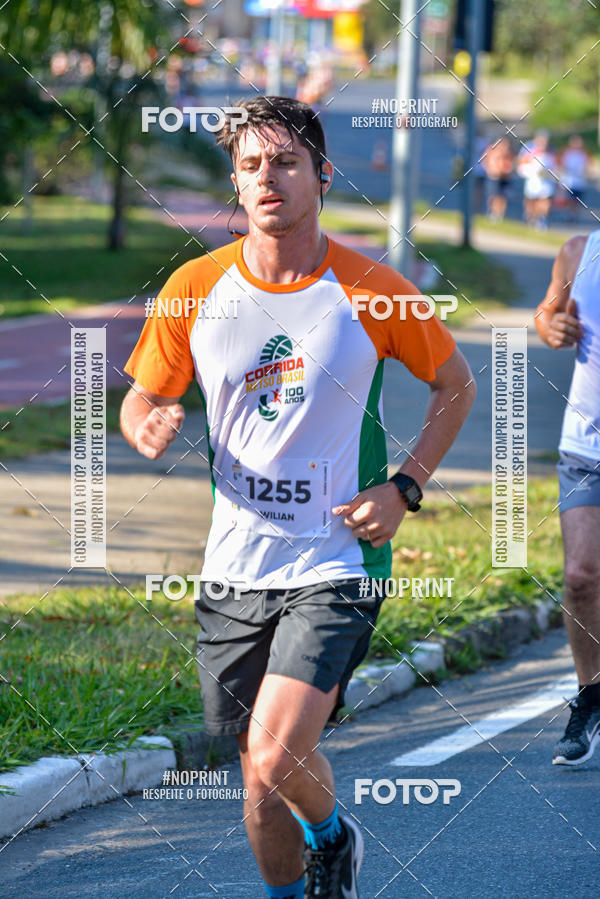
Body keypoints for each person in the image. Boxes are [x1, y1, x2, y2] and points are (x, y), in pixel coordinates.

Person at [120, 96, 476, 897]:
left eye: (284, 161)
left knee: (276, 754)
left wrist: (405, 485)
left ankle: (330, 833)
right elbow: (140, 397)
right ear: (237, 186)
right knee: (255, 782)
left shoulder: (373, 288)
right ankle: (319, 864)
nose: (267, 178)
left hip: (338, 556)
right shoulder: (193, 287)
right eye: (250, 166)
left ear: (322, 172)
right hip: (235, 561)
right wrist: (146, 417)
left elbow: (456, 385)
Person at [535, 233, 600, 765]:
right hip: (586, 445)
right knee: (580, 576)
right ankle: (592, 698)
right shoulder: (579, 252)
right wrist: (551, 325)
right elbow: (547, 315)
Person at [517, 131, 557, 229]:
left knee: (545, 201)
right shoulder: (529, 151)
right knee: (532, 202)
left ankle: (542, 219)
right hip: (533, 181)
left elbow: (557, 167)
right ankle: (531, 217)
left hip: (546, 183)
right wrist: (531, 172)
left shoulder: (552, 152)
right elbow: (521, 166)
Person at [558, 135, 590, 221]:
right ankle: (569, 213)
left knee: (577, 201)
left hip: (580, 182)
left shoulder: (584, 154)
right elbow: (561, 165)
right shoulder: (567, 153)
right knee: (569, 199)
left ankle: (573, 215)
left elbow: (588, 166)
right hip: (569, 181)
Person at [482, 137, 514, 222]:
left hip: (505, 177)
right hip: (494, 177)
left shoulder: (508, 153)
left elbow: (511, 164)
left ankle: (500, 215)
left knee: (503, 197)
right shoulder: (492, 150)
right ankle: (492, 212)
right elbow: (484, 160)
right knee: (493, 196)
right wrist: (490, 170)